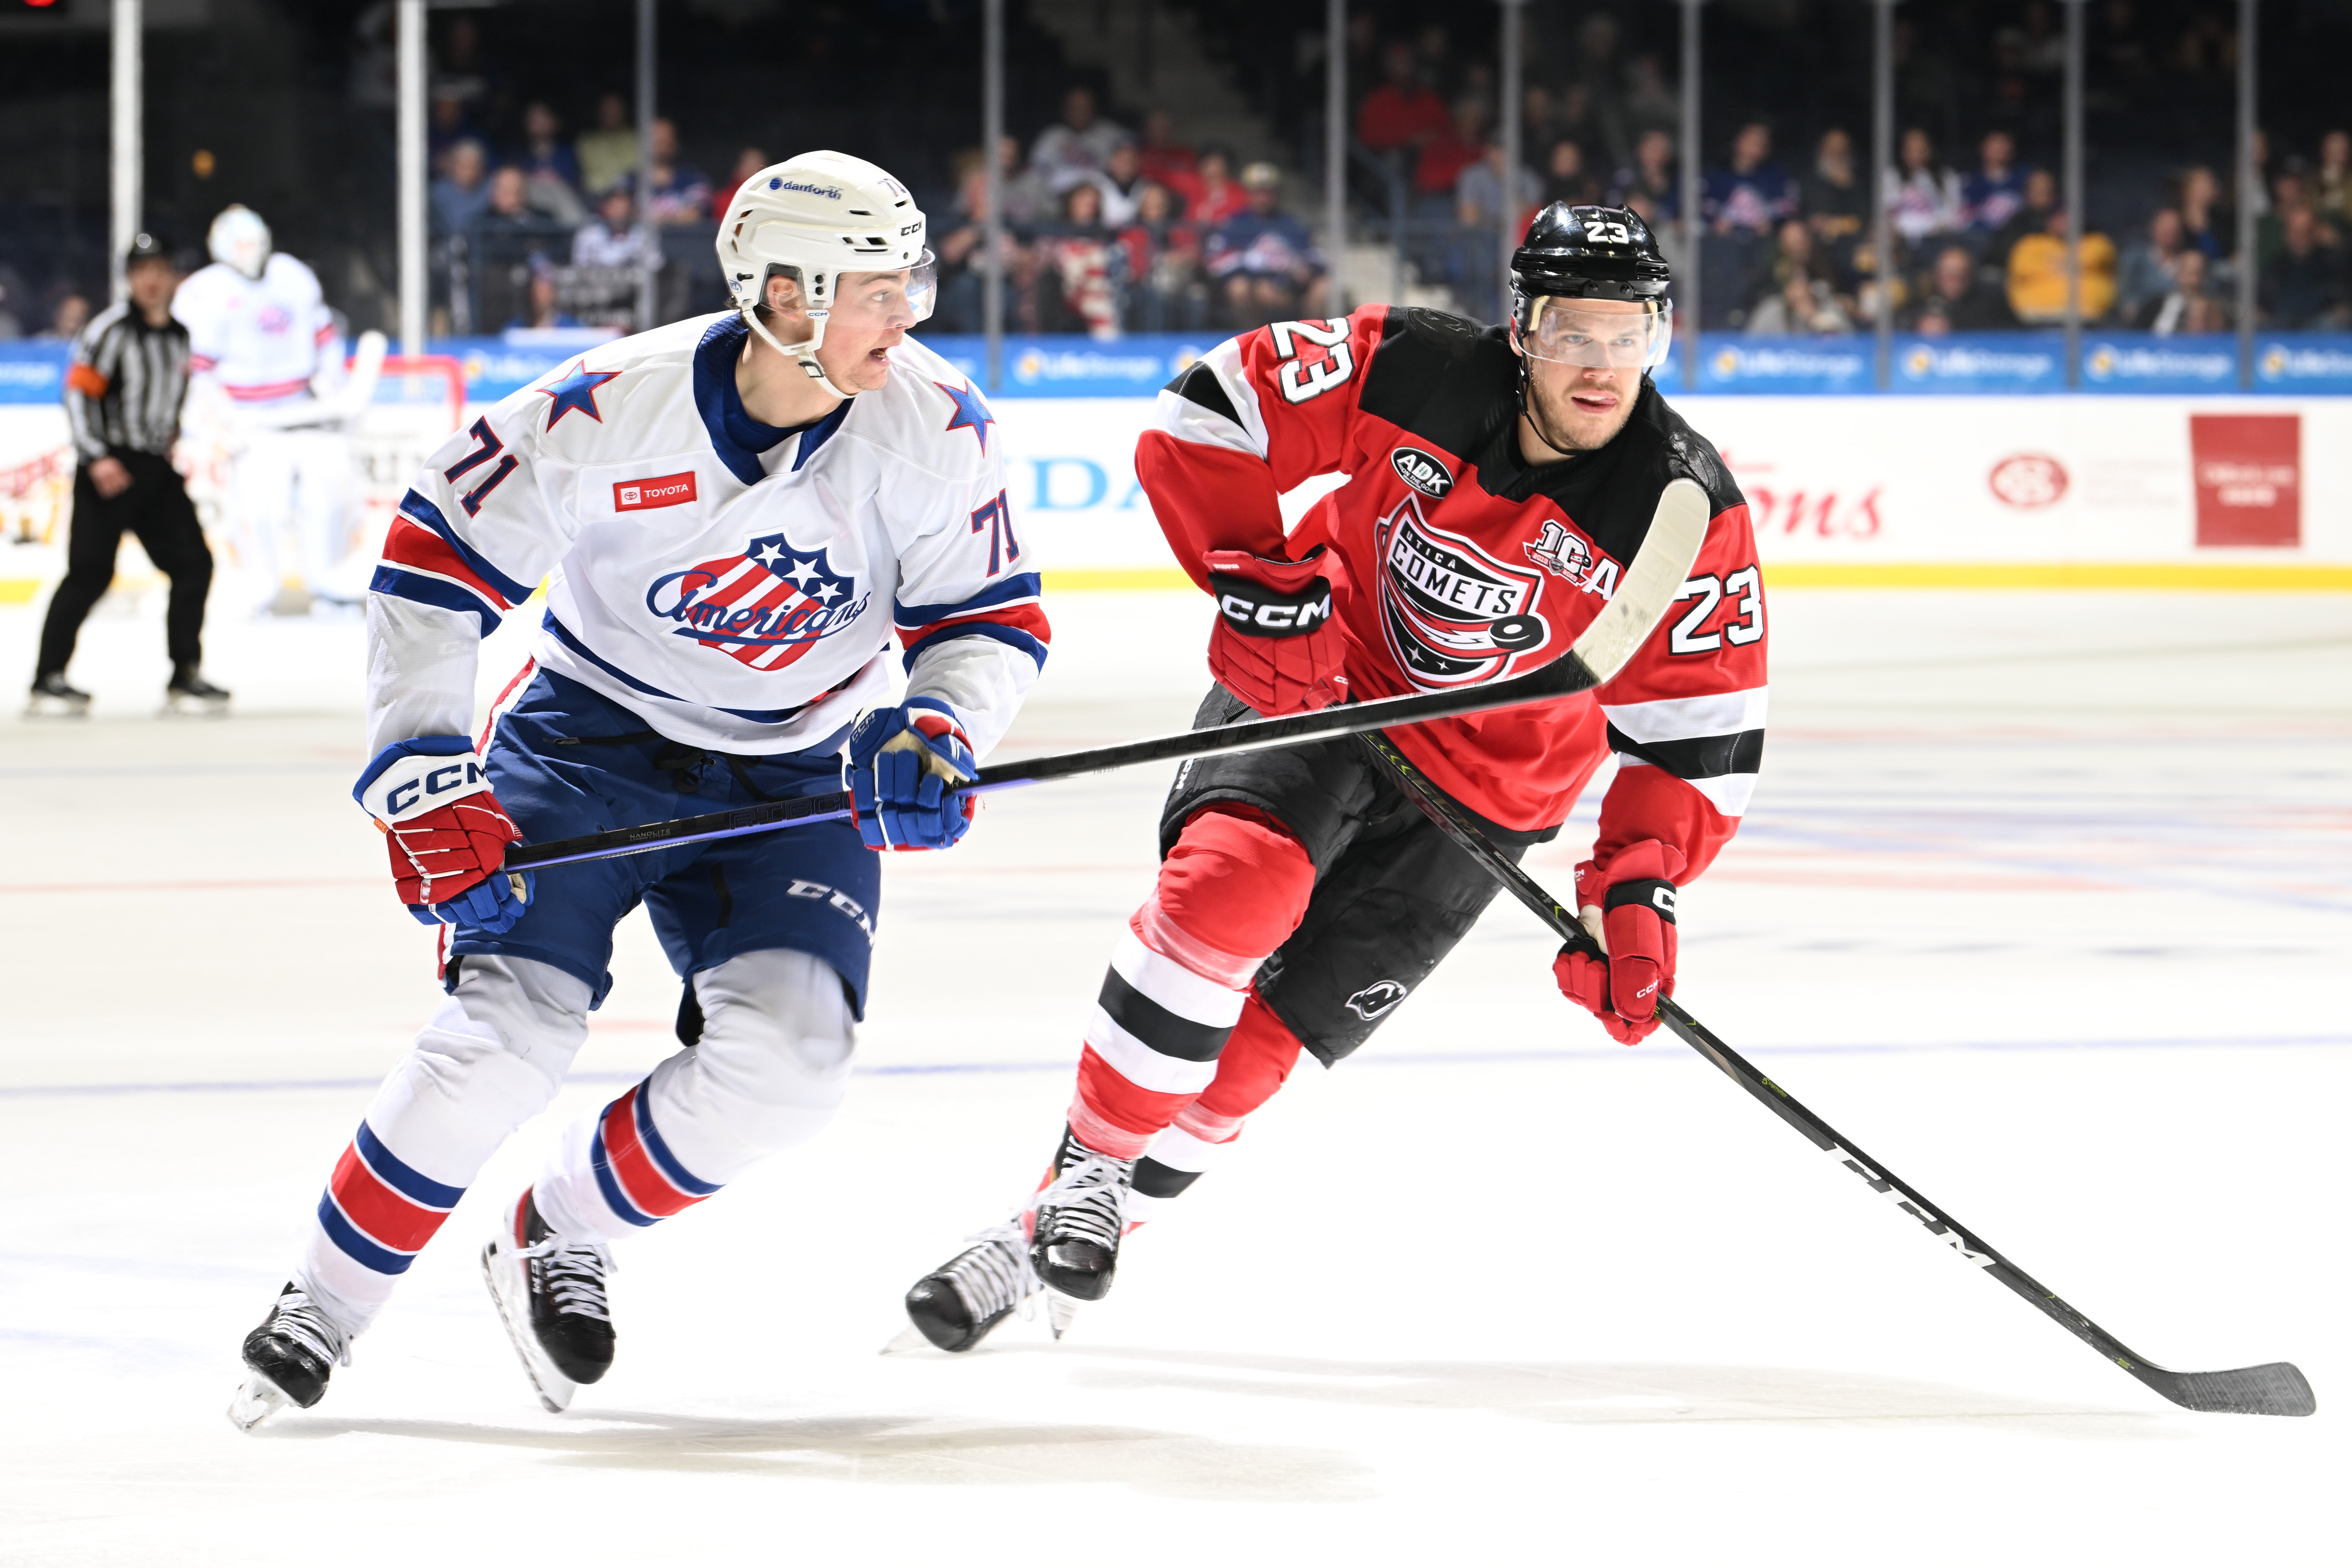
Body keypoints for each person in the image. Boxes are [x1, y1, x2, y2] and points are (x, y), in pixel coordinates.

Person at [227, 150, 1050, 1429]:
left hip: (798, 767)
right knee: (497, 1044)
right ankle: (325, 1303)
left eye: (912, 284)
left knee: (792, 1064)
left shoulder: (936, 425)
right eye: (880, 290)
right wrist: (421, 764)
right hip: (586, 744)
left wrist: (939, 721)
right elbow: (435, 556)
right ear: (784, 296)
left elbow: (990, 615)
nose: (912, 314)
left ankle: (561, 1222)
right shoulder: (611, 406)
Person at [899, 204, 1765, 1351]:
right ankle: (1092, 1174)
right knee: (1229, 891)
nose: (1599, 367)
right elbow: (1211, 409)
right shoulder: (1414, 366)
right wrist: (1255, 572)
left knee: (1255, 1057)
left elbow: (1697, 727)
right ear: (1521, 329)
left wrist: (1640, 886)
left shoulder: (1680, 506)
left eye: (1628, 337)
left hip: (1492, 797)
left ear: (1661, 338)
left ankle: (1035, 1233)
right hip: (1331, 684)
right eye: (1571, 333)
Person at [30, 233, 228, 718]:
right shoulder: (110, 331)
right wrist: (97, 457)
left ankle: (185, 674)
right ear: (130, 279)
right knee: (89, 573)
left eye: (160, 269)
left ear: (174, 276)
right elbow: (79, 395)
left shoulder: (180, 335)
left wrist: (170, 437)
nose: (152, 280)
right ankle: (47, 680)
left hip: (154, 468)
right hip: (109, 467)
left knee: (193, 564)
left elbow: (174, 392)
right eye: (142, 271)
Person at [174, 205, 358, 611]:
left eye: (255, 242)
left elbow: (325, 337)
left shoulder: (293, 274)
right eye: (241, 244)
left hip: (304, 411)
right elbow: (197, 371)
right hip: (248, 420)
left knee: (327, 503)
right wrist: (216, 422)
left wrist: (332, 388)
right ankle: (258, 591)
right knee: (260, 512)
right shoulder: (203, 292)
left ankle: (330, 587)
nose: (250, 252)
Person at [1204, 163, 1329, 329]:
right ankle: (1251, 341)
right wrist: (1258, 280)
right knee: (1239, 288)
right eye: (1258, 193)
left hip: (1290, 287)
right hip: (1253, 290)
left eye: (1268, 193)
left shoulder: (1291, 223)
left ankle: (1312, 340)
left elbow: (1315, 256)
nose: (1263, 198)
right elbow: (1216, 262)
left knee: (1325, 287)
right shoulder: (1234, 224)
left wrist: (1304, 271)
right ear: (1248, 194)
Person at [2006, 210, 2118, 322]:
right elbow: (2024, 269)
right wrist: (2067, 266)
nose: (2065, 223)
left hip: (2088, 316)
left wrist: (2051, 265)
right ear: (2050, 221)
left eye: (2070, 218)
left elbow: (2090, 261)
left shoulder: (2097, 242)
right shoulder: (2031, 244)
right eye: (2060, 218)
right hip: (2036, 315)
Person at [1703, 122, 1798, 237]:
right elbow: (1700, 204)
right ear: (1737, 141)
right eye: (1751, 141)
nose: (1755, 147)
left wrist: (1772, 221)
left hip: (1762, 244)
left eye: (1761, 143)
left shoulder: (1777, 176)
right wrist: (1715, 221)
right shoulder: (1716, 174)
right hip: (1722, 244)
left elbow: (1790, 204)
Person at [1030, 87, 1128, 193]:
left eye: (1084, 107)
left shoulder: (1110, 133)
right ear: (1065, 110)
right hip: (1059, 197)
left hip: (1101, 196)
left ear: (1093, 109)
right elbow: (1035, 173)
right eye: (1074, 108)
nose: (1079, 112)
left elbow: (1130, 156)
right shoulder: (1052, 136)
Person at [1908, 243, 2018, 331]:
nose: (1954, 280)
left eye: (1961, 273)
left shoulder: (1991, 304)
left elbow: (2009, 335)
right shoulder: (1921, 300)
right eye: (1948, 274)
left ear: (1970, 275)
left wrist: (1954, 327)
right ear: (1937, 275)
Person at [2117, 208, 2186, 325]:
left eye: (2175, 228)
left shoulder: (2188, 262)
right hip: (2142, 326)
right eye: (2165, 228)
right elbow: (2126, 298)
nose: (2171, 232)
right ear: (2153, 229)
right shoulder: (2135, 259)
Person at [1962, 130, 2026, 236]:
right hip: (1979, 238)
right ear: (1983, 149)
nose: (2000, 149)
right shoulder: (1969, 182)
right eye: (1995, 145)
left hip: (2015, 236)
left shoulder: (2024, 179)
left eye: (2004, 144)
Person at [575, 91, 639, 197]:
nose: (611, 113)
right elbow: (590, 179)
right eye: (607, 109)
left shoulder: (637, 139)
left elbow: (636, 171)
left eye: (616, 108)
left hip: (630, 196)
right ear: (599, 112)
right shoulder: (587, 142)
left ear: (624, 111)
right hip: (595, 197)